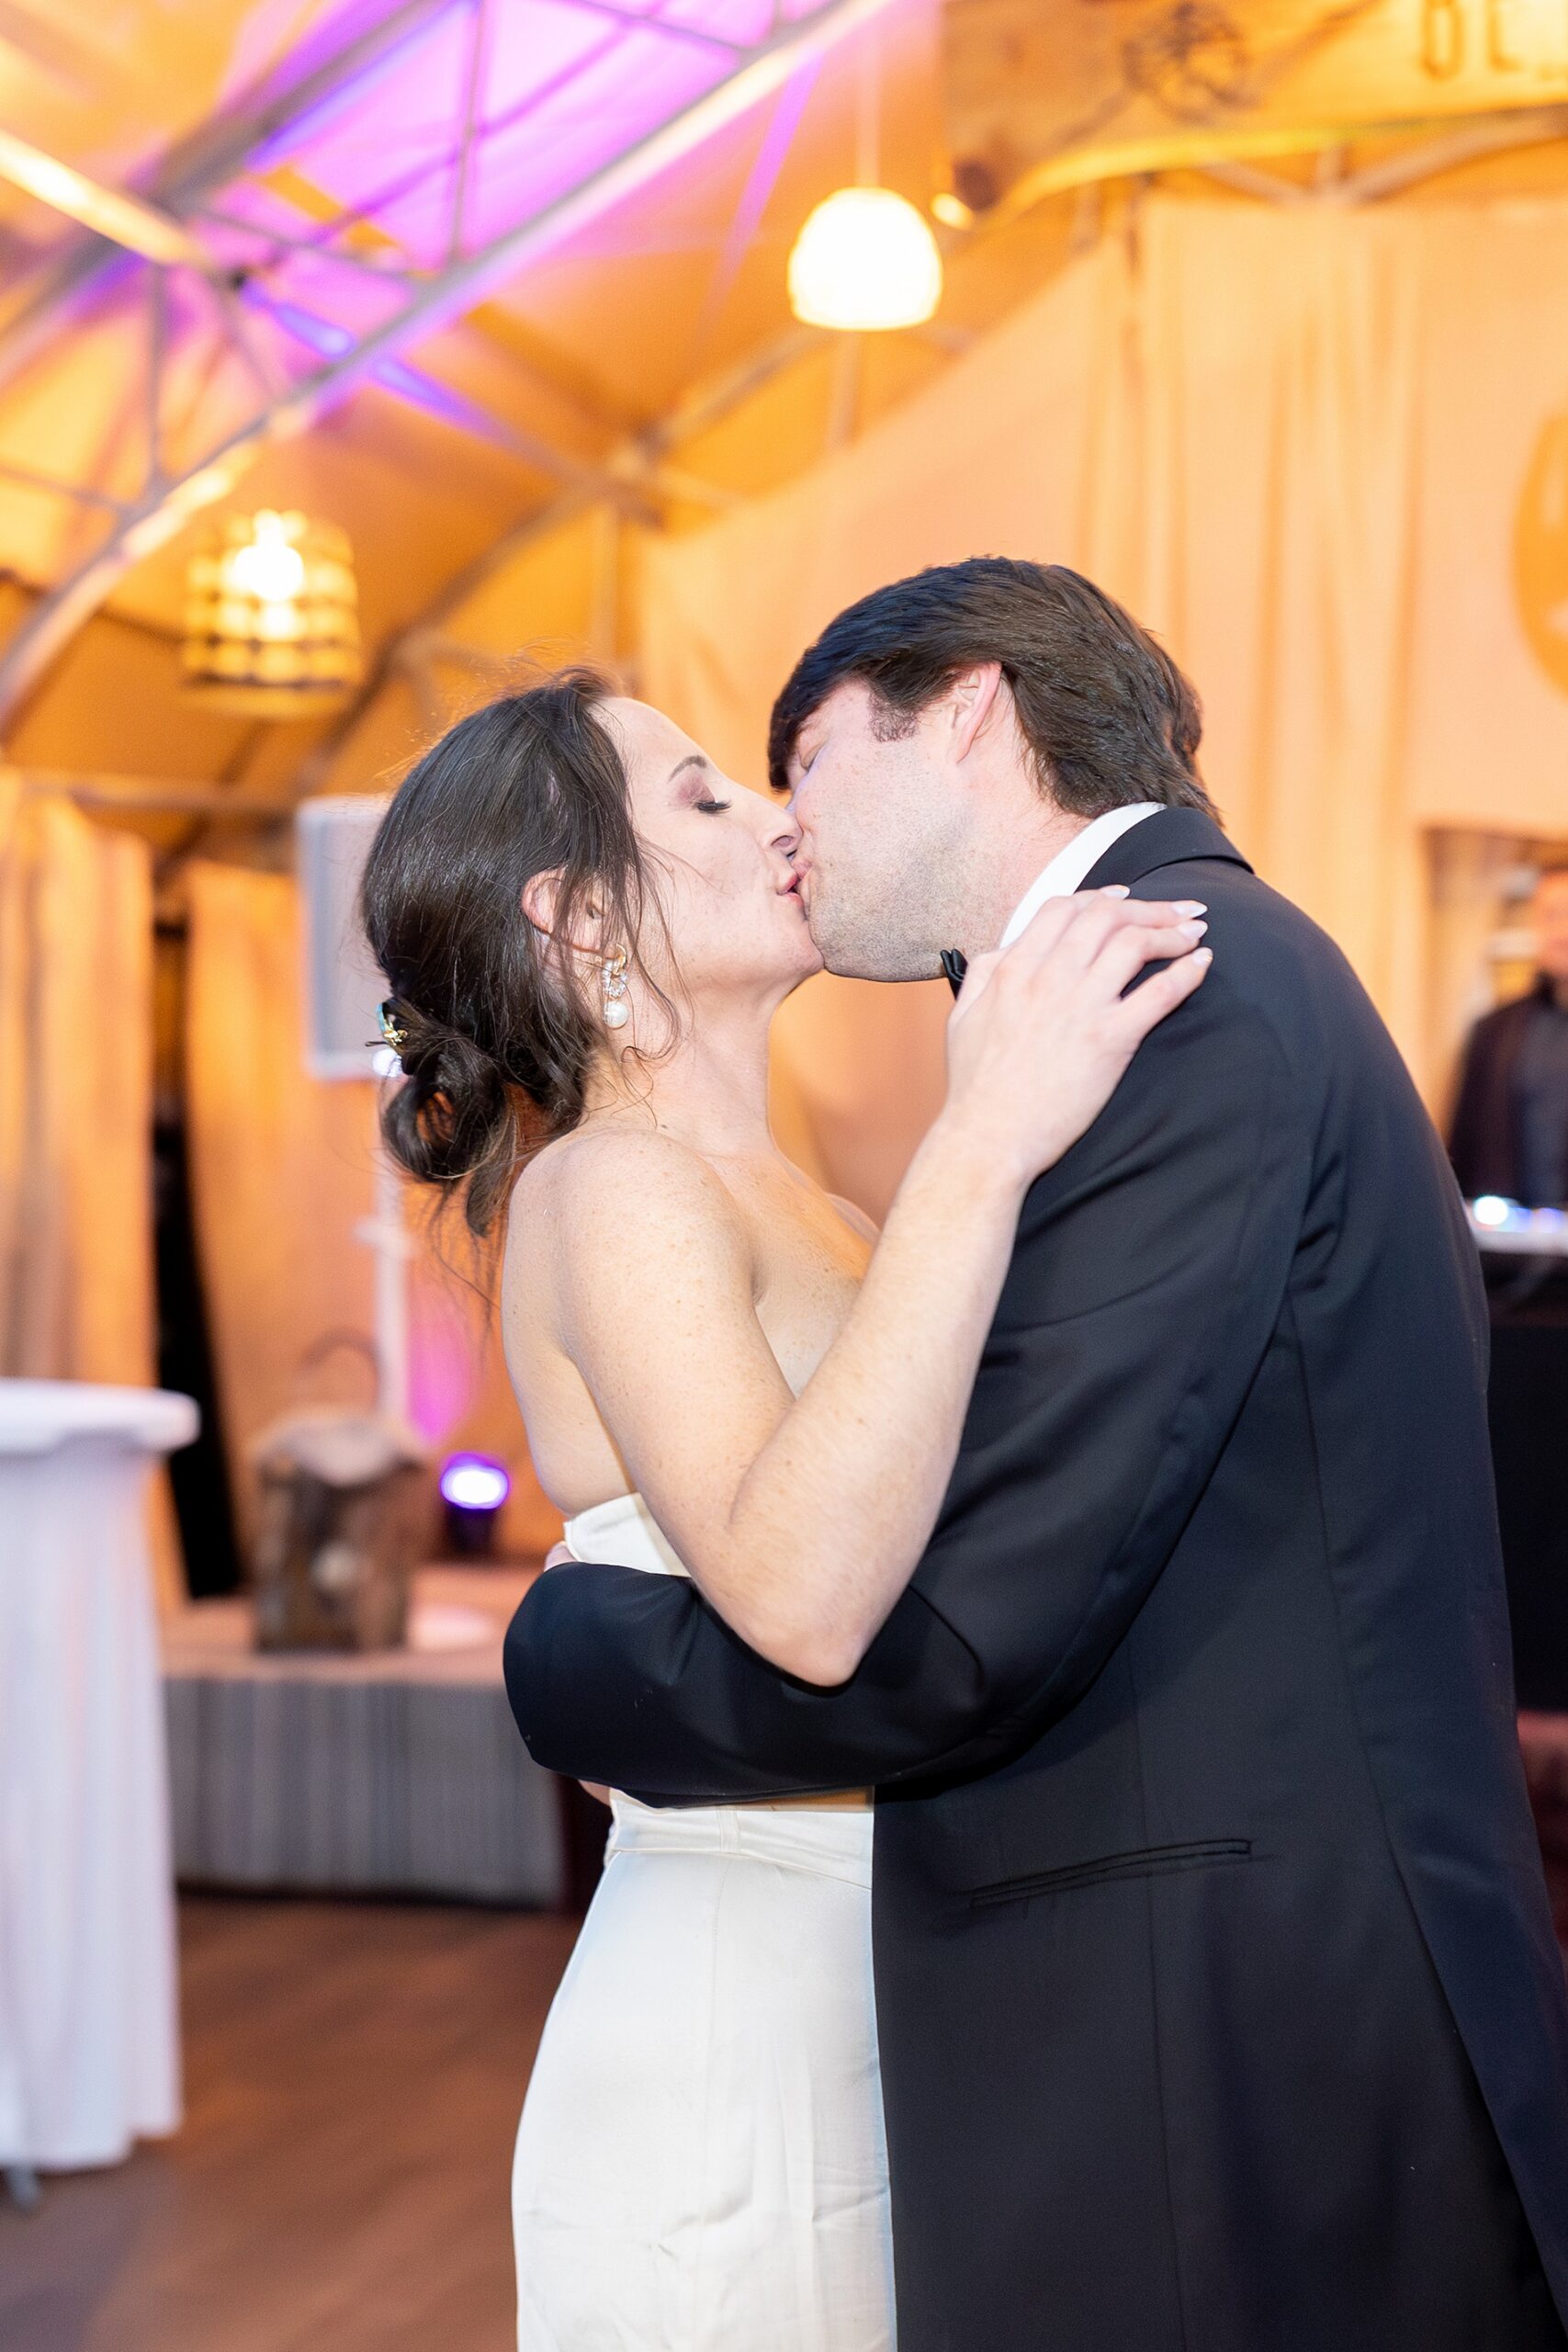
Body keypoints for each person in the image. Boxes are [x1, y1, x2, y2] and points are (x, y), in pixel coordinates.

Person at [508, 559, 1568, 2352]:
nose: (786, 823)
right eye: (725, 792)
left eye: (804, 760)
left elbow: (982, 1603)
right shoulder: (1162, 983)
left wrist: (591, 1667)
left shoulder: (1173, 989)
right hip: (1168, 1999)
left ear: (966, 712)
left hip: (1228, 2021)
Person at [360, 658, 1212, 2352]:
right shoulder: (611, 1183)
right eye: (701, 795)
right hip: (735, 2032)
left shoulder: (816, 1209)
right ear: (579, 921)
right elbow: (804, 1603)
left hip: (885, 1977)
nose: (776, 819)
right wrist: (983, 1137)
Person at [1450, 862, 1568, 1207]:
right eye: (1551, 915)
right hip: (1508, 1234)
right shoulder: (1493, 1030)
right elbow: (1463, 1145)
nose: (1562, 931)